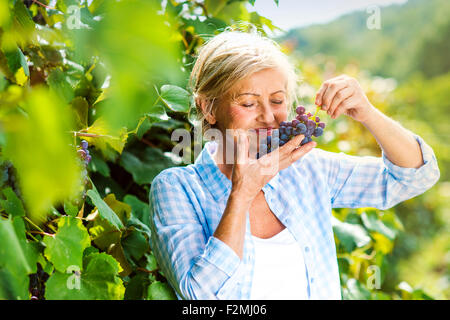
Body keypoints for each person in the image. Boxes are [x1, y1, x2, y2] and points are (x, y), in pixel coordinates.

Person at [148, 30, 440, 300]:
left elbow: (414, 176)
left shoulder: (307, 168)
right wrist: (242, 192)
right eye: (248, 103)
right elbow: (199, 295)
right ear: (208, 108)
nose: (268, 116)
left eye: (277, 100)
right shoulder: (177, 188)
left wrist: (367, 113)